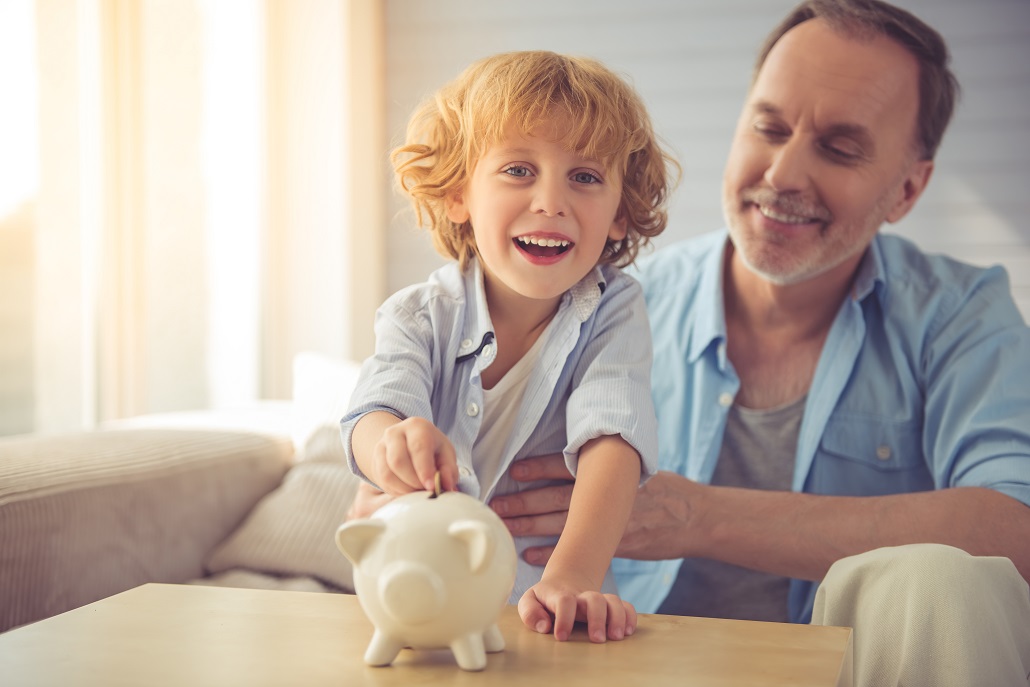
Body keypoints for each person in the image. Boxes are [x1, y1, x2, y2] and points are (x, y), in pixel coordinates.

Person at [350, 1, 1030, 684]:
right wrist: (399, 483)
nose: (784, 173)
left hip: (848, 664)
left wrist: (701, 515)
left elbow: (1017, 529)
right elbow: (397, 419)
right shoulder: (592, 295)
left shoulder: (957, 314)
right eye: (768, 127)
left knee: (943, 576)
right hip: (624, 658)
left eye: (840, 147)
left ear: (908, 187)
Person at [341, 50, 678, 644]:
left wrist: (572, 576)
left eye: (586, 176)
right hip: (422, 600)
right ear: (458, 194)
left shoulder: (615, 311)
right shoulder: (418, 314)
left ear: (620, 214)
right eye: (519, 170)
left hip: (551, 613)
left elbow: (613, 439)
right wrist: (391, 445)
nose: (551, 200)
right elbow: (374, 411)